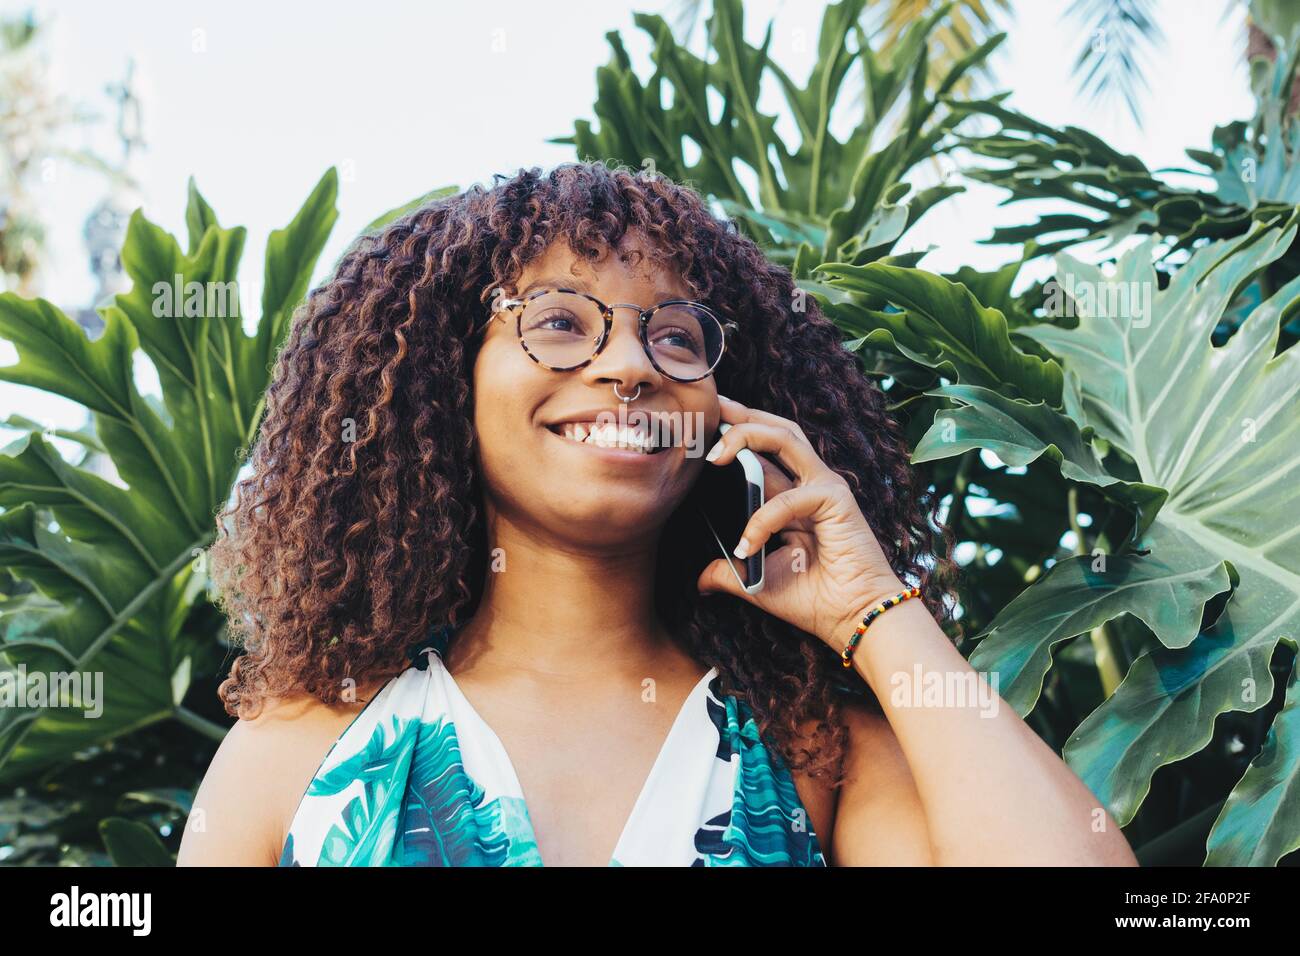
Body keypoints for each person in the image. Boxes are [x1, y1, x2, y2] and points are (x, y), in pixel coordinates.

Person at [177, 161, 1138, 867]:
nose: (631, 365)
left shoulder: (815, 760)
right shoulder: (303, 751)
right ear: (444, 384)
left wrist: (873, 614)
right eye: (559, 322)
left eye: (675, 336)